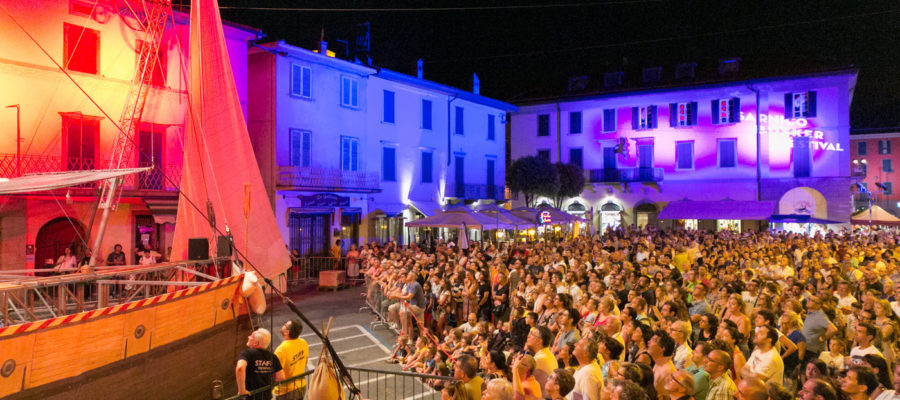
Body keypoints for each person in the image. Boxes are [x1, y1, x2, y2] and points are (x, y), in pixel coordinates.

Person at [236, 328, 283, 400]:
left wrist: (242, 391)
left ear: (256, 343)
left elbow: (240, 368)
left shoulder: (247, 353)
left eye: (251, 336)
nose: (248, 337)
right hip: (267, 397)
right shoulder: (273, 356)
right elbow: (280, 377)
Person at [273, 319, 308, 400]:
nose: (283, 325)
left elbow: (278, 376)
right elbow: (304, 362)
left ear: (287, 332)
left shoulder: (281, 349)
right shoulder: (303, 342)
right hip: (301, 386)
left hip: (287, 392)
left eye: (285, 325)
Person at [526, 326, 558, 392]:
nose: (528, 336)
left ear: (539, 341)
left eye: (531, 334)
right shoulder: (547, 354)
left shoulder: (540, 359)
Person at [571, 336, 603, 400]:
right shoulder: (585, 367)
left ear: (586, 353)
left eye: (578, 345)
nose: (575, 344)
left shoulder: (588, 373)